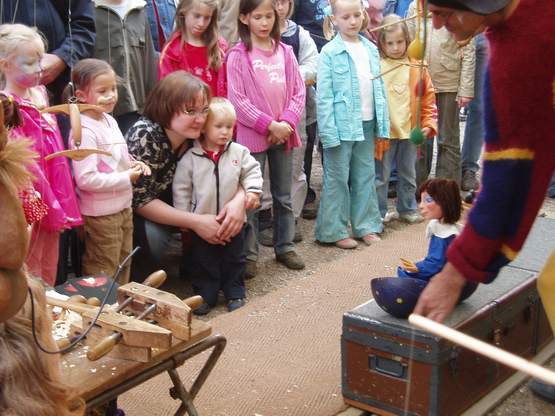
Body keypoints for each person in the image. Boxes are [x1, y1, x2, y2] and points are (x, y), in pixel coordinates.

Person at [410, 0, 555, 404]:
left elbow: (508, 181)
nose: (436, 25)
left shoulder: (516, 59)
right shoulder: (510, 38)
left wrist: (458, 271)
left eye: (443, 11)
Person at [126, 71, 246, 281]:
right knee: (155, 238)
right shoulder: (146, 134)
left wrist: (239, 202)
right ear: (167, 107)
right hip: (135, 213)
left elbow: (234, 171)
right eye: (191, 111)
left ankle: (223, 275)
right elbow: (140, 200)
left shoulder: (199, 135)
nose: (200, 119)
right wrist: (197, 222)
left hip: (181, 205)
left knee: (235, 215)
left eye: (205, 110)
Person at [227, 0, 306, 277]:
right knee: (252, 196)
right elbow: (237, 99)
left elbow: (298, 92)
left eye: (268, 16)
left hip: (284, 134)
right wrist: (268, 124)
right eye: (257, 17)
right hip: (254, 137)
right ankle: (249, 254)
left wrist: (286, 122)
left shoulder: (285, 51)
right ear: (245, 18)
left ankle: (284, 246)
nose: (264, 23)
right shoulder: (238, 55)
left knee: (284, 194)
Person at [0, 24, 83, 286]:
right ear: (5, 65)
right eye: (29, 62)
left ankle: (46, 304)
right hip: (30, 191)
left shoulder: (40, 94)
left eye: (40, 61)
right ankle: (28, 310)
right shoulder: (6, 104)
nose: (39, 68)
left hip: (54, 183)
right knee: (30, 254)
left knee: (51, 255)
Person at [173, 97, 262, 315]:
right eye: (219, 126)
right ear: (204, 128)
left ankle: (235, 291)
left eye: (229, 127)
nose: (225, 132)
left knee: (235, 258)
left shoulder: (238, 152)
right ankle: (206, 294)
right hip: (203, 221)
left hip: (233, 222)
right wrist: (184, 216)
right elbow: (182, 188)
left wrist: (252, 191)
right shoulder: (191, 157)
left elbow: (252, 171)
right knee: (203, 260)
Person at [69, 59, 151, 285]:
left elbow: (117, 157)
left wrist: (134, 164)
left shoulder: (109, 120)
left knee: (124, 261)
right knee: (103, 267)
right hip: (101, 214)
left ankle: (118, 311)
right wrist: (127, 177)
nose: (111, 96)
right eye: (102, 91)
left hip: (123, 205)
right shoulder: (83, 129)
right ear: (82, 95)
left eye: (113, 89)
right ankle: (102, 313)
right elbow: (86, 179)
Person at [315, 0, 389, 249]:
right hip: (340, 126)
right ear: (334, 19)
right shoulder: (329, 52)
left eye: (357, 15)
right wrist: (327, 132)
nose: (353, 21)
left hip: (367, 122)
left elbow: (379, 87)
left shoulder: (369, 48)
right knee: (337, 178)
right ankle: (333, 229)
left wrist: (383, 125)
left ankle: (366, 225)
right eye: (345, 17)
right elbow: (323, 96)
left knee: (365, 174)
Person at [258, 0, 318, 246]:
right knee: (264, 170)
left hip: (295, 113)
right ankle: (265, 216)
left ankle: (290, 218)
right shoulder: (254, 39)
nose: (278, 8)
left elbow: (313, 66)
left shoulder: (299, 34)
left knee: (294, 165)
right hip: (264, 114)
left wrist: (289, 76)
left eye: (282, 2)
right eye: (272, 3)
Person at [375, 14, 437, 224]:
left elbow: (429, 99)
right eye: (390, 43)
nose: (395, 47)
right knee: (381, 177)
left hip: (410, 132)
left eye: (400, 42)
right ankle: (379, 212)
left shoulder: (417, 67)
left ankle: (408, 208)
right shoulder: (376, 66)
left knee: (408, 174)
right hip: (384, 133)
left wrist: (428, 124)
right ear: (381, 43)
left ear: (408, 40)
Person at [406, 0, 474, 187]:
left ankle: (446, 186)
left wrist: (466, 88)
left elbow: (468, 48)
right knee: (420, 136)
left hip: (449, 83)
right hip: (420, 85)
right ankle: (418, 185)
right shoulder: (415, 7)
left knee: (448, 138)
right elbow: (407, 43)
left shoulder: (458, 5)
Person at [93, 0, 158, 135]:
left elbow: (149, 60)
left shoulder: (139, 9)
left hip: (137, 107)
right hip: (100, 108)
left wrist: (153, 104)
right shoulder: (90, 10)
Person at [159, 0, 228, 97]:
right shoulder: (171, 51)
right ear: (184, 12)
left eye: (207, 18)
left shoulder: (219, 47)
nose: (201, 23)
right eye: (197, 16)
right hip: (185, 109)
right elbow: (166, 91)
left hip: (217, 109)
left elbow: (227, 83)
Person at [398, 178, 461, 280]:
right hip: (444, 271)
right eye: (421, 201)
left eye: (428, 200)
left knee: (404, 274)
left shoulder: (446, 234)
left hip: (446, 277)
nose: (421, 206)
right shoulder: (439, 226)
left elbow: (437, 263)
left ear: (445, 202)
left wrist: (418, 268)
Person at [461, 32, 488, 191]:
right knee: (439, 101)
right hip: (451, 32)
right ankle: (425, 168)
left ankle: (469, 167)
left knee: (479, 107)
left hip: (483, 33)